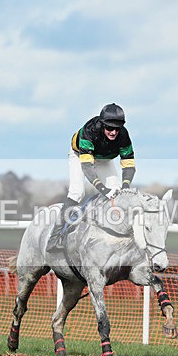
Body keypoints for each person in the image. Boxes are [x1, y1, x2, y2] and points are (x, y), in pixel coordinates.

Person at [47, 103, 135, 251]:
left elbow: (129, 165)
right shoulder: (89, 131)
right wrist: (103, 189)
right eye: (109, 128)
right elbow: (87, 167)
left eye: (117, 129)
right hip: (80, 156)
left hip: (104, 159)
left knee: (118, 193)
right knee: (77, 192)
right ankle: (54, 237)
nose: (113, 132)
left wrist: (125, 186)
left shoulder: (124, 135)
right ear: (102, 124)